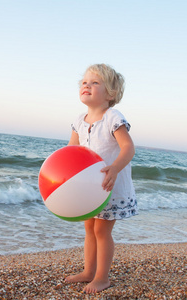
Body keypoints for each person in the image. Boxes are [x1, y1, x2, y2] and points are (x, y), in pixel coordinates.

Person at [65, 64, 138, 293]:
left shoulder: (112, 117)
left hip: (110, 186)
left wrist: (115, 168)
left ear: (111, 94)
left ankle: (102, 277)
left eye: (95, 82)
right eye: (84, 82)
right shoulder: (79, 120)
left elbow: (128, 148)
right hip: (89, 188)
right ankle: (88, 271)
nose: (86, 85)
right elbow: (71, 152)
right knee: (89, 229)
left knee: (101, 232)